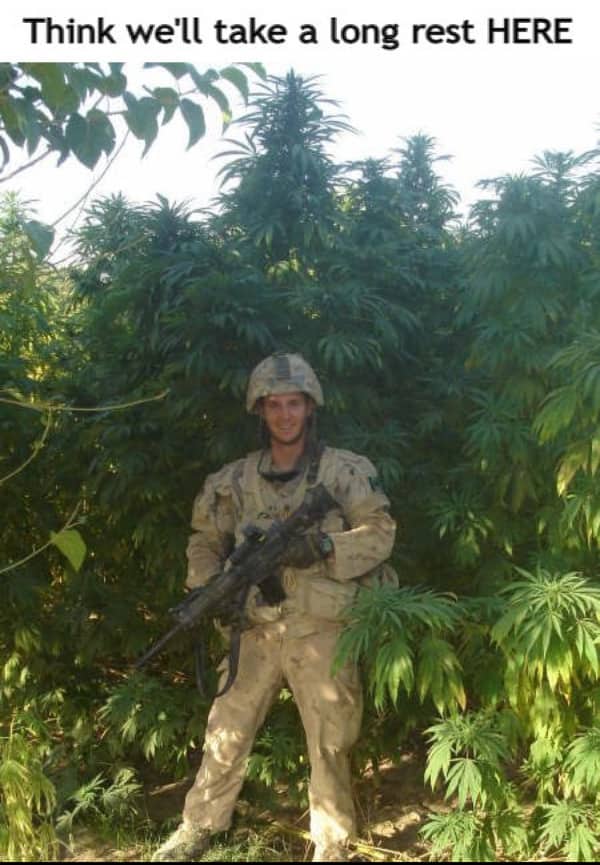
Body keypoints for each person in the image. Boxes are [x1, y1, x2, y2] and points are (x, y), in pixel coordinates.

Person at [152, 353, 396, 862]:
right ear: (260, 411)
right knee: (226, 726)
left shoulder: (343, 470)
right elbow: (204, 540)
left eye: (294, 404)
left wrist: (324, 548)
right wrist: (207, 587)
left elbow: (380, 533)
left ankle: (331, 841)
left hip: (321, 625)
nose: (284, 415)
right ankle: (199, 825)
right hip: (256, 628)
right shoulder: (233, 480)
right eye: (274, 405)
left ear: (310, 408)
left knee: (331, 737)